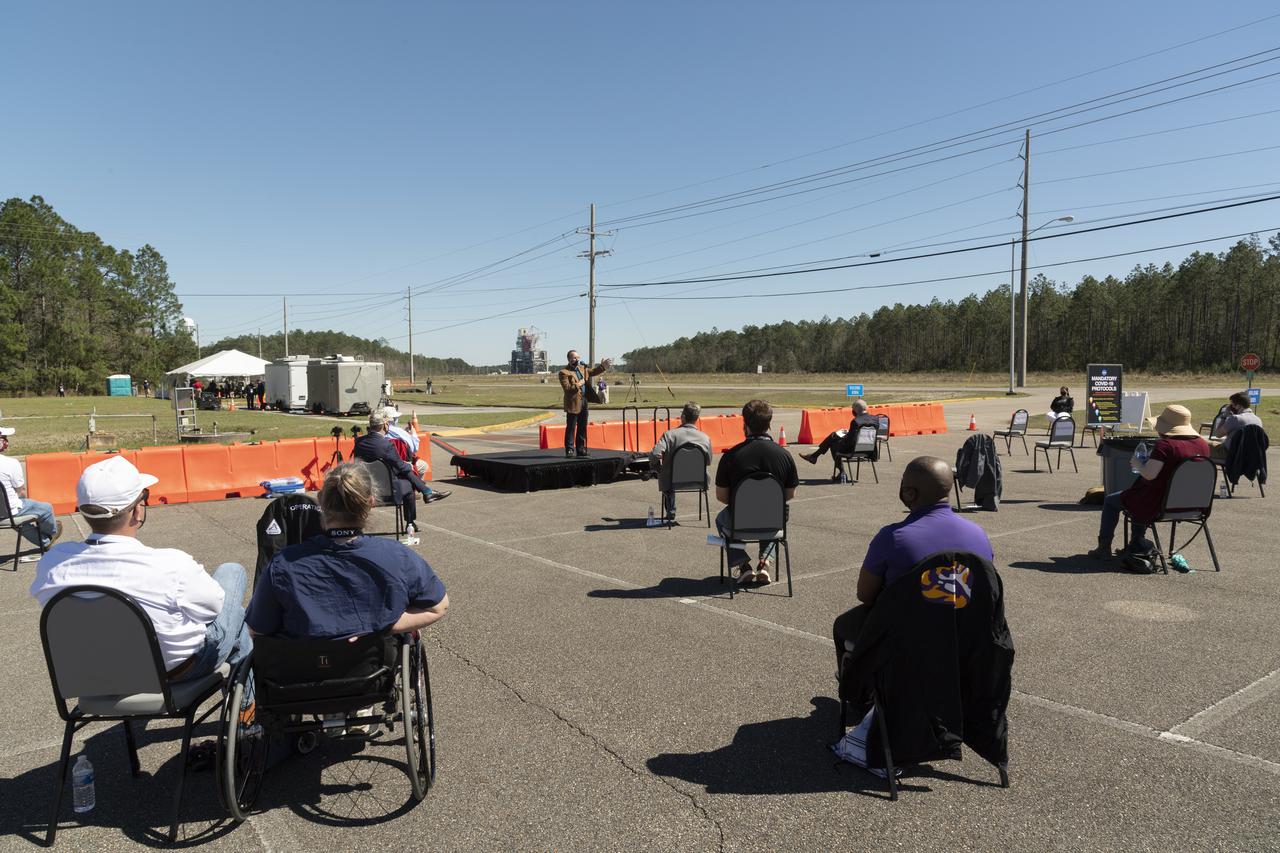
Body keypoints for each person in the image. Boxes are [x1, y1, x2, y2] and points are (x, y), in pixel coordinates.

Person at [30, 456, 252, 696]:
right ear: (137, 510)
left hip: (94, 675)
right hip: (174, 672)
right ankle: (248, 715)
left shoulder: (52, 564)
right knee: (233, 577)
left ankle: (248, 713)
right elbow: (211, 612)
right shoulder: (170, 564)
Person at [246, 463, 448, 639]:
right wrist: (384, 627)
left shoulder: (283, 564)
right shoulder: (397, 555)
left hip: (302, 672)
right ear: (371, 502)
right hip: (371, 669)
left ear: (321, 500)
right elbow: (438, 607)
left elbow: (257, 630)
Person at [831, 456, 994, 671]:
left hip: (908, 637)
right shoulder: (979, 535)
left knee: (843, 626)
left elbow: (865, 595)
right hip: (967, 634)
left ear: (910, 493)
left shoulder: (892, 537)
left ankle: (857, 692)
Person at [1088, 404, 1210, 560]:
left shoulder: (1165, 446)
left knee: (1113, 501)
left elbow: (1149, 475)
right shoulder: (1202, 445)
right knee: (1138, 496)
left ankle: (1104, 548)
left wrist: (1138, 465)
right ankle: (1135, 544)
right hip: (1194, 505)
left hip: (1159, 503)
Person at [714, 399, 798, 586]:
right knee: (776, 516)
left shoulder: (731, 456)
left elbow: (722, 497)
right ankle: (765, 563)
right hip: (772, 519)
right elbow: (790, 494)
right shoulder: (784, 455)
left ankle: (743, 565)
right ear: (769, 424)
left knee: (721, 520)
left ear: (745, 424)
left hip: (739, 521)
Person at [354, 409, 449, 538]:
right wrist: (407, 464)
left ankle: (427, 492)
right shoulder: (386, 445)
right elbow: (400, 465)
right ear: (385, 425)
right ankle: (411, 521)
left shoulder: (359, 443)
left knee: (402, 472)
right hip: (388, 489)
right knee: (408, 483)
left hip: (367, 487)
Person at [650, 402, 713, 522]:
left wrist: (656, 466)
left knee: (663, 469)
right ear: (697, 418)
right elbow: (708, 461)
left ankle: (671, 510)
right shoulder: (705, 438)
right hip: (698, 479)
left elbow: (654, 454)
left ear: (683, 417)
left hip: (672, 481)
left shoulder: (669, 435)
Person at [0, 427, 62, 549]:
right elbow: (21, 492)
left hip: (5, 514)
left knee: (18, 520)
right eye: (4, 439)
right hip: (8, 511)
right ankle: (51, 534)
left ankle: (45, 542)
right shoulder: (10, 463)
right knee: (46, 508)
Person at [800, 398, 879, 481]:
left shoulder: (856, 421)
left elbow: (850, 442)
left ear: (855, 411)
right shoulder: (875, 420)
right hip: (870, 450)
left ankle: (841, 471)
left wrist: (843, 437)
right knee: (834, 437)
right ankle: (815, 457)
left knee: (834, 442)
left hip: (854, 450)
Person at [558, 349, 612, 458]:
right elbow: (568, 389)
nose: (577, 359)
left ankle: (581, 449)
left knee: (582, 427)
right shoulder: (564, 372)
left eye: (578, 357)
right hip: (573, 403)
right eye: (574, 357)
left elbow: (593, 372)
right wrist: (579, 383)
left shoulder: (582, 368)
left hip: (584, 401)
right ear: (569, 359)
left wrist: (603, 366)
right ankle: (569, 449)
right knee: (571, 427)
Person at [1210, 391, 1263, 461]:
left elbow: (1218, 434)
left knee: (1202, 445)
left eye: (1232, 405)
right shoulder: (1258, 420)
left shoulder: (1235, 418)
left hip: (1230, 453)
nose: (1231, 407)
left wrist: (1224, 416)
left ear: (1238, 406)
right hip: (1249, 455)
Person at [383, 406, 430, 478]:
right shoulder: (399, 432)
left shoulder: (378, 433)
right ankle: (416, 486)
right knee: (424, 465)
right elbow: (414, 448)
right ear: (392, 419)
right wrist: (413, 433)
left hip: (384, 464)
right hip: (401, 463)